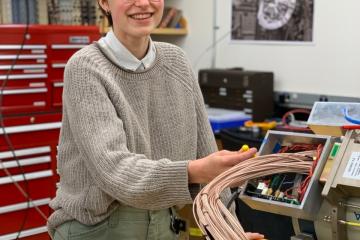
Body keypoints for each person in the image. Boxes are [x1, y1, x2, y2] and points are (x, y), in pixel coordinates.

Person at [48, 0, 264, 239]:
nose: (143, 3)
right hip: (97, 228)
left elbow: (207, 154)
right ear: (104, 3)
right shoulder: (85, 68)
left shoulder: (177, 62)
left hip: (164, 223)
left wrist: (229, 231)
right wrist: (193, 171)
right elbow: (115, 171)